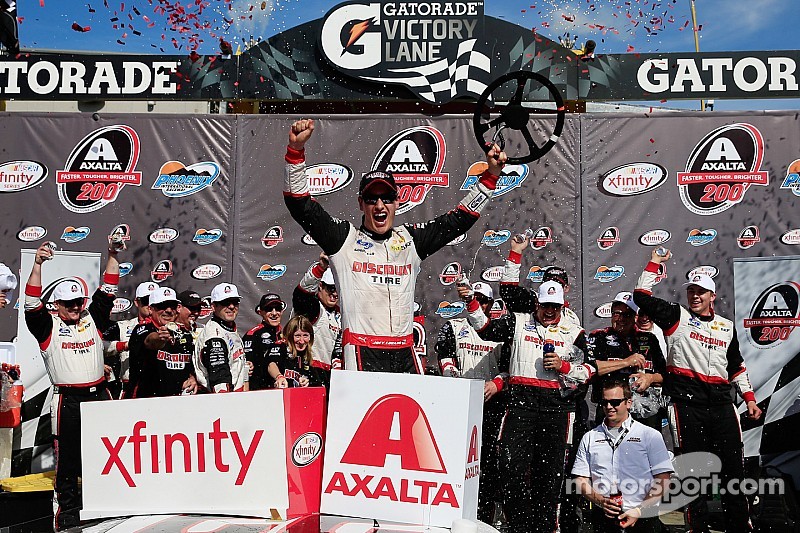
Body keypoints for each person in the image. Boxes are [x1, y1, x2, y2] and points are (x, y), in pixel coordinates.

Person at [283, 118, 506, 373]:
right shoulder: (343, 239)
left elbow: (458, 221)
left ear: (397, 202)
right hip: (360, 350)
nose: (379, 205)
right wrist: (295, 152)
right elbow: (300, 205)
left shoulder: (410, 239)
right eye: (371, 199)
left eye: (387, 198)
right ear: (360, 204)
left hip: (404, 352)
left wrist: (491, 176)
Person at [633, 248, 762, 533]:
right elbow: (641, 296)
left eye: (701, 291)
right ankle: (698, 528)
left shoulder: (726, 327)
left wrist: (749, 399)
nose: (695, 296)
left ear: (712, 296)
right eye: (691, 290)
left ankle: (739, 527)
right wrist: (654, 263)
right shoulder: (675, 316)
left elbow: (737, 367)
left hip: (721, 406)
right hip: (686, 405)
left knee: (733, 473)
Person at [461, 277, 594, 533]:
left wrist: (564, 367)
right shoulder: (519, 321)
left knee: (550, 478)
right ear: (537, 304)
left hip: (557, 410)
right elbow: (485, 329)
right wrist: (472, 302)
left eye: (555, 306)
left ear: (562, 305)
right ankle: (520, 526)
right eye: (546, 305)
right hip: (521, 406)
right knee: (510, 469)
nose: (550, 311)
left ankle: (545, 529)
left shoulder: (574, 331)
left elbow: (587, 371)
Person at [23, 240, 121, 530]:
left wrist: (114, 254)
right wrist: (38, 264)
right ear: (57, 305)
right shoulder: (47, 326)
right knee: (68, 458)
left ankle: (108, 504)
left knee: (108, 450)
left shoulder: (92, 317)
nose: (76, 307)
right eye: (70, 303)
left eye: (80, 302)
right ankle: (67, 513)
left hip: (100, 394)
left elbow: (109, 289)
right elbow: (30, 302)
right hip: (69, 400)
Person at [436, 281, 507, 524]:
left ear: (490, 304)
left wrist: (496, 384)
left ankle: (485, 517)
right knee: (456, 460)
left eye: (484, 300)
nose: (479, 303)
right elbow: (444, 353)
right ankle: (453, 513)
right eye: (475, 298)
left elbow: (512, 368)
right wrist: (450, 372)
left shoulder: (499, 331)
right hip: (459, 402)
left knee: (486, 464)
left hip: (491, 405)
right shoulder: (453, 325)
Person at [572, 379, 673, 533]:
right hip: (604, 516)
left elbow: (664, 480)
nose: (609, 407)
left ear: (629, 403)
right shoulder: (590, 437)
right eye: (605, 402)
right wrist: (601, 501)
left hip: (643, 516)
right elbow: (580, 480)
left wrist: (639, 510)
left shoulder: (649, 435)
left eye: (615, 402)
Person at [587, 291, 666, 429]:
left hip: (645, 410)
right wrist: (626, 362)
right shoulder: (598, 337)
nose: (621, 318)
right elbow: (591, 368)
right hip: (610, 408)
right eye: (617, 313)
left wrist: (650, 378)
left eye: (627, 314)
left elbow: (666, 375)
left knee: (648, 449)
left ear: (635, 317)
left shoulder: (649, 339)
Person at [126, 287, 198, 398]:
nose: (169, 310)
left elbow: (189, 366)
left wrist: (192, 378)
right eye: (162, 306)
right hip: (145, 400)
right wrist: (160, 338)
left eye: (172, 306)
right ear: (150, 309)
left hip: (176, 402)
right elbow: (150, 341)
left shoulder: (185, 334)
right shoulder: (142, 329)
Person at [292, 253, 342, 388]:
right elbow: (301, 294)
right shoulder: (313, 308)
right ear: (320, 286)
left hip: (331, 375)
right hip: (308, 371)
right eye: (331, 288)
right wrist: (320, 268)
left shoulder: (341, 314)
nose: (335, 293)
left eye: (337, 288)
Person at [103, 281, 159, 399]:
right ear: (137, 302)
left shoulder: (169, 327)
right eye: (146, 301)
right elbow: (100, 346)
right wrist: (125, 345)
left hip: (159, 386)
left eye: (155, 302)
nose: (150, 306)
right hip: (130, 387)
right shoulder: (122, 326)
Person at [193, 282, 248, 393]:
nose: (231, 306)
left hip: (236, 396)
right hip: (223, 399)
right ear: (213, 307)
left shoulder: (227, 327)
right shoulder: (214, 337)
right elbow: (220, 381)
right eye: (225, 303)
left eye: (235, 302)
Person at [243, 293, 286, 391]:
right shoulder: (252, 335)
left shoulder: (286, 334)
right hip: (260, 391)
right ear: (260, 312)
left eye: (278, 308)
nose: (274, 313)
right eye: (269, 309)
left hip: (282, 388)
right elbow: (247, 367)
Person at [268, 315, 318, 388]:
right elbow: (271, 364)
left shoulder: (306, 355)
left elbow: (316, 382)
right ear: (290, 336)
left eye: (305, 336)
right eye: (297, 336)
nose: (301, 341)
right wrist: (279, 377)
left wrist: (306, 381)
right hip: (276, 395)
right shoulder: (280, 346)